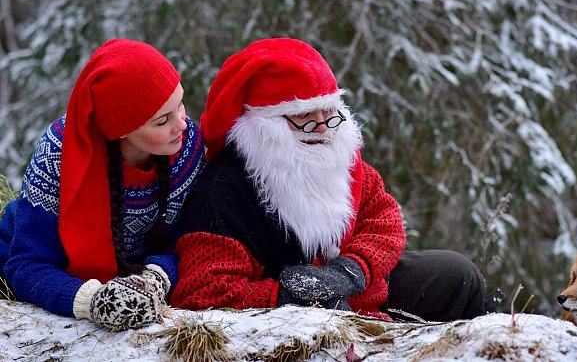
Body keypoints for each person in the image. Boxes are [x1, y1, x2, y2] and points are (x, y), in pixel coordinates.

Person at [170, 38, 485, 321]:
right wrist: (288, 297)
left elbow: (383, 220)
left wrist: (352, 270)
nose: (322, 127)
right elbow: (203, 291)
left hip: (361, 292)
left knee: (459, 275)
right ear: (264, 125)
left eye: (328, 113)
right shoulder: (223, 192)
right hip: (284, 320)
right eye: (305, 116)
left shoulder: (337, 155)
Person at [0, 39, 205, 330]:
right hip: (56, 269)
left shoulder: (187, 145)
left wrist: (156, 277)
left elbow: (191, 238)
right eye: (162, 121)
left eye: (180, 103)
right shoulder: (58, 155)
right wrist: (93, 300)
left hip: (138, 270)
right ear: (121, 131)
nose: (183, 123)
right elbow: (26, 264)